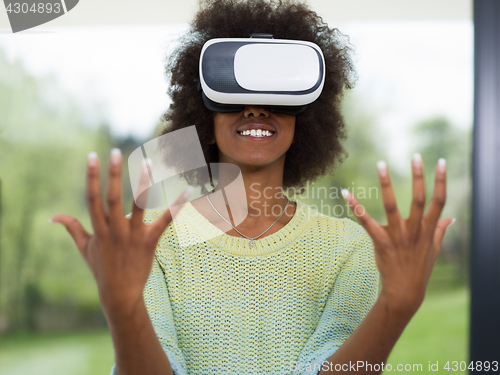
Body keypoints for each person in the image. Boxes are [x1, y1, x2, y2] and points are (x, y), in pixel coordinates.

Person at [50, 0, 454, 374]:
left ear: (307, 111)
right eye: (234, 87)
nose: (256, 107)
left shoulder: (347, 248)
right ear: (203, 106)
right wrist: (124, 310)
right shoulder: (145, 240)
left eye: (276, 90)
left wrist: (395, 307)